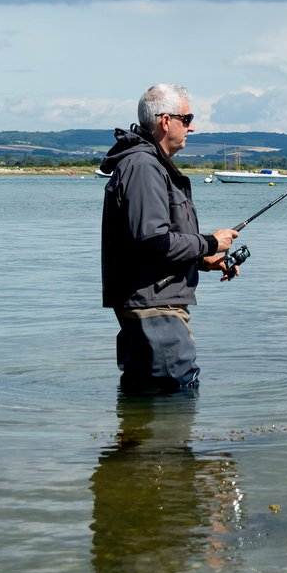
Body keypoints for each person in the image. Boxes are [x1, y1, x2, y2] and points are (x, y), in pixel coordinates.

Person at [100, 84, 240, 393]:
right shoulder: (143, 167)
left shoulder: (148, 165)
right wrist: (211, 242)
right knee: (174, 398)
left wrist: (204, 260)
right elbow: (152, 242)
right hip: (155, 311)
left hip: (154, 306)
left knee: (146, 400)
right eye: (187, 118)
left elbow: (151, 243)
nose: (192, 126)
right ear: (166, 121)